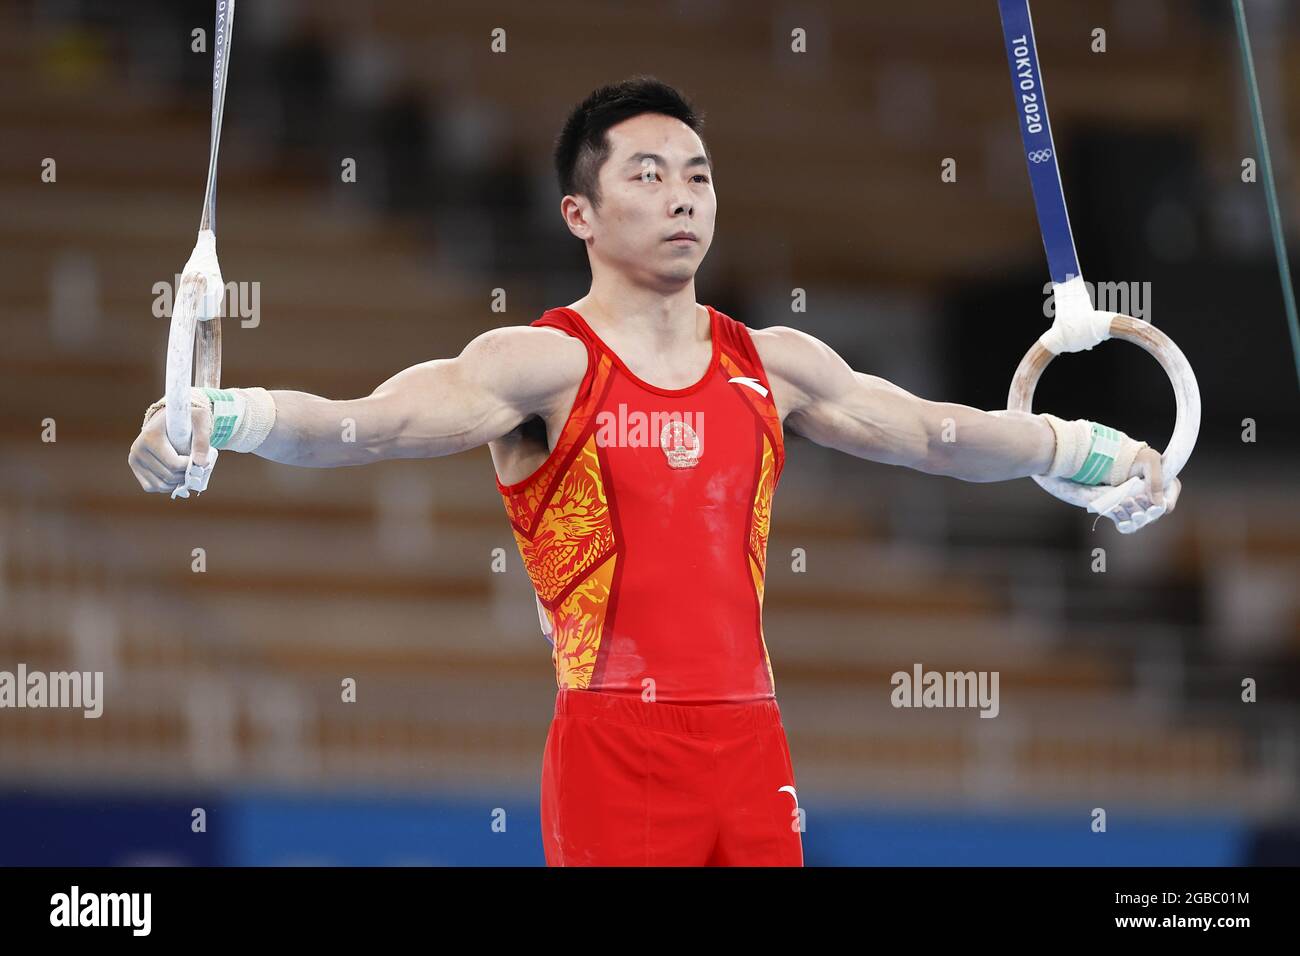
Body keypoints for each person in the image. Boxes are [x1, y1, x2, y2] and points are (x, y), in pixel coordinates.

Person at [127, 76, 1178, 866]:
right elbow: (361, 427)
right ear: (579, 214)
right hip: (614, 744)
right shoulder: (541, 365)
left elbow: (941, 436)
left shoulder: (772, 361)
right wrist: (216, 414)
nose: (682, 197)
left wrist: (1089, 452)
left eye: (698, 175)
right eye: (647, 174)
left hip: (751, 740)